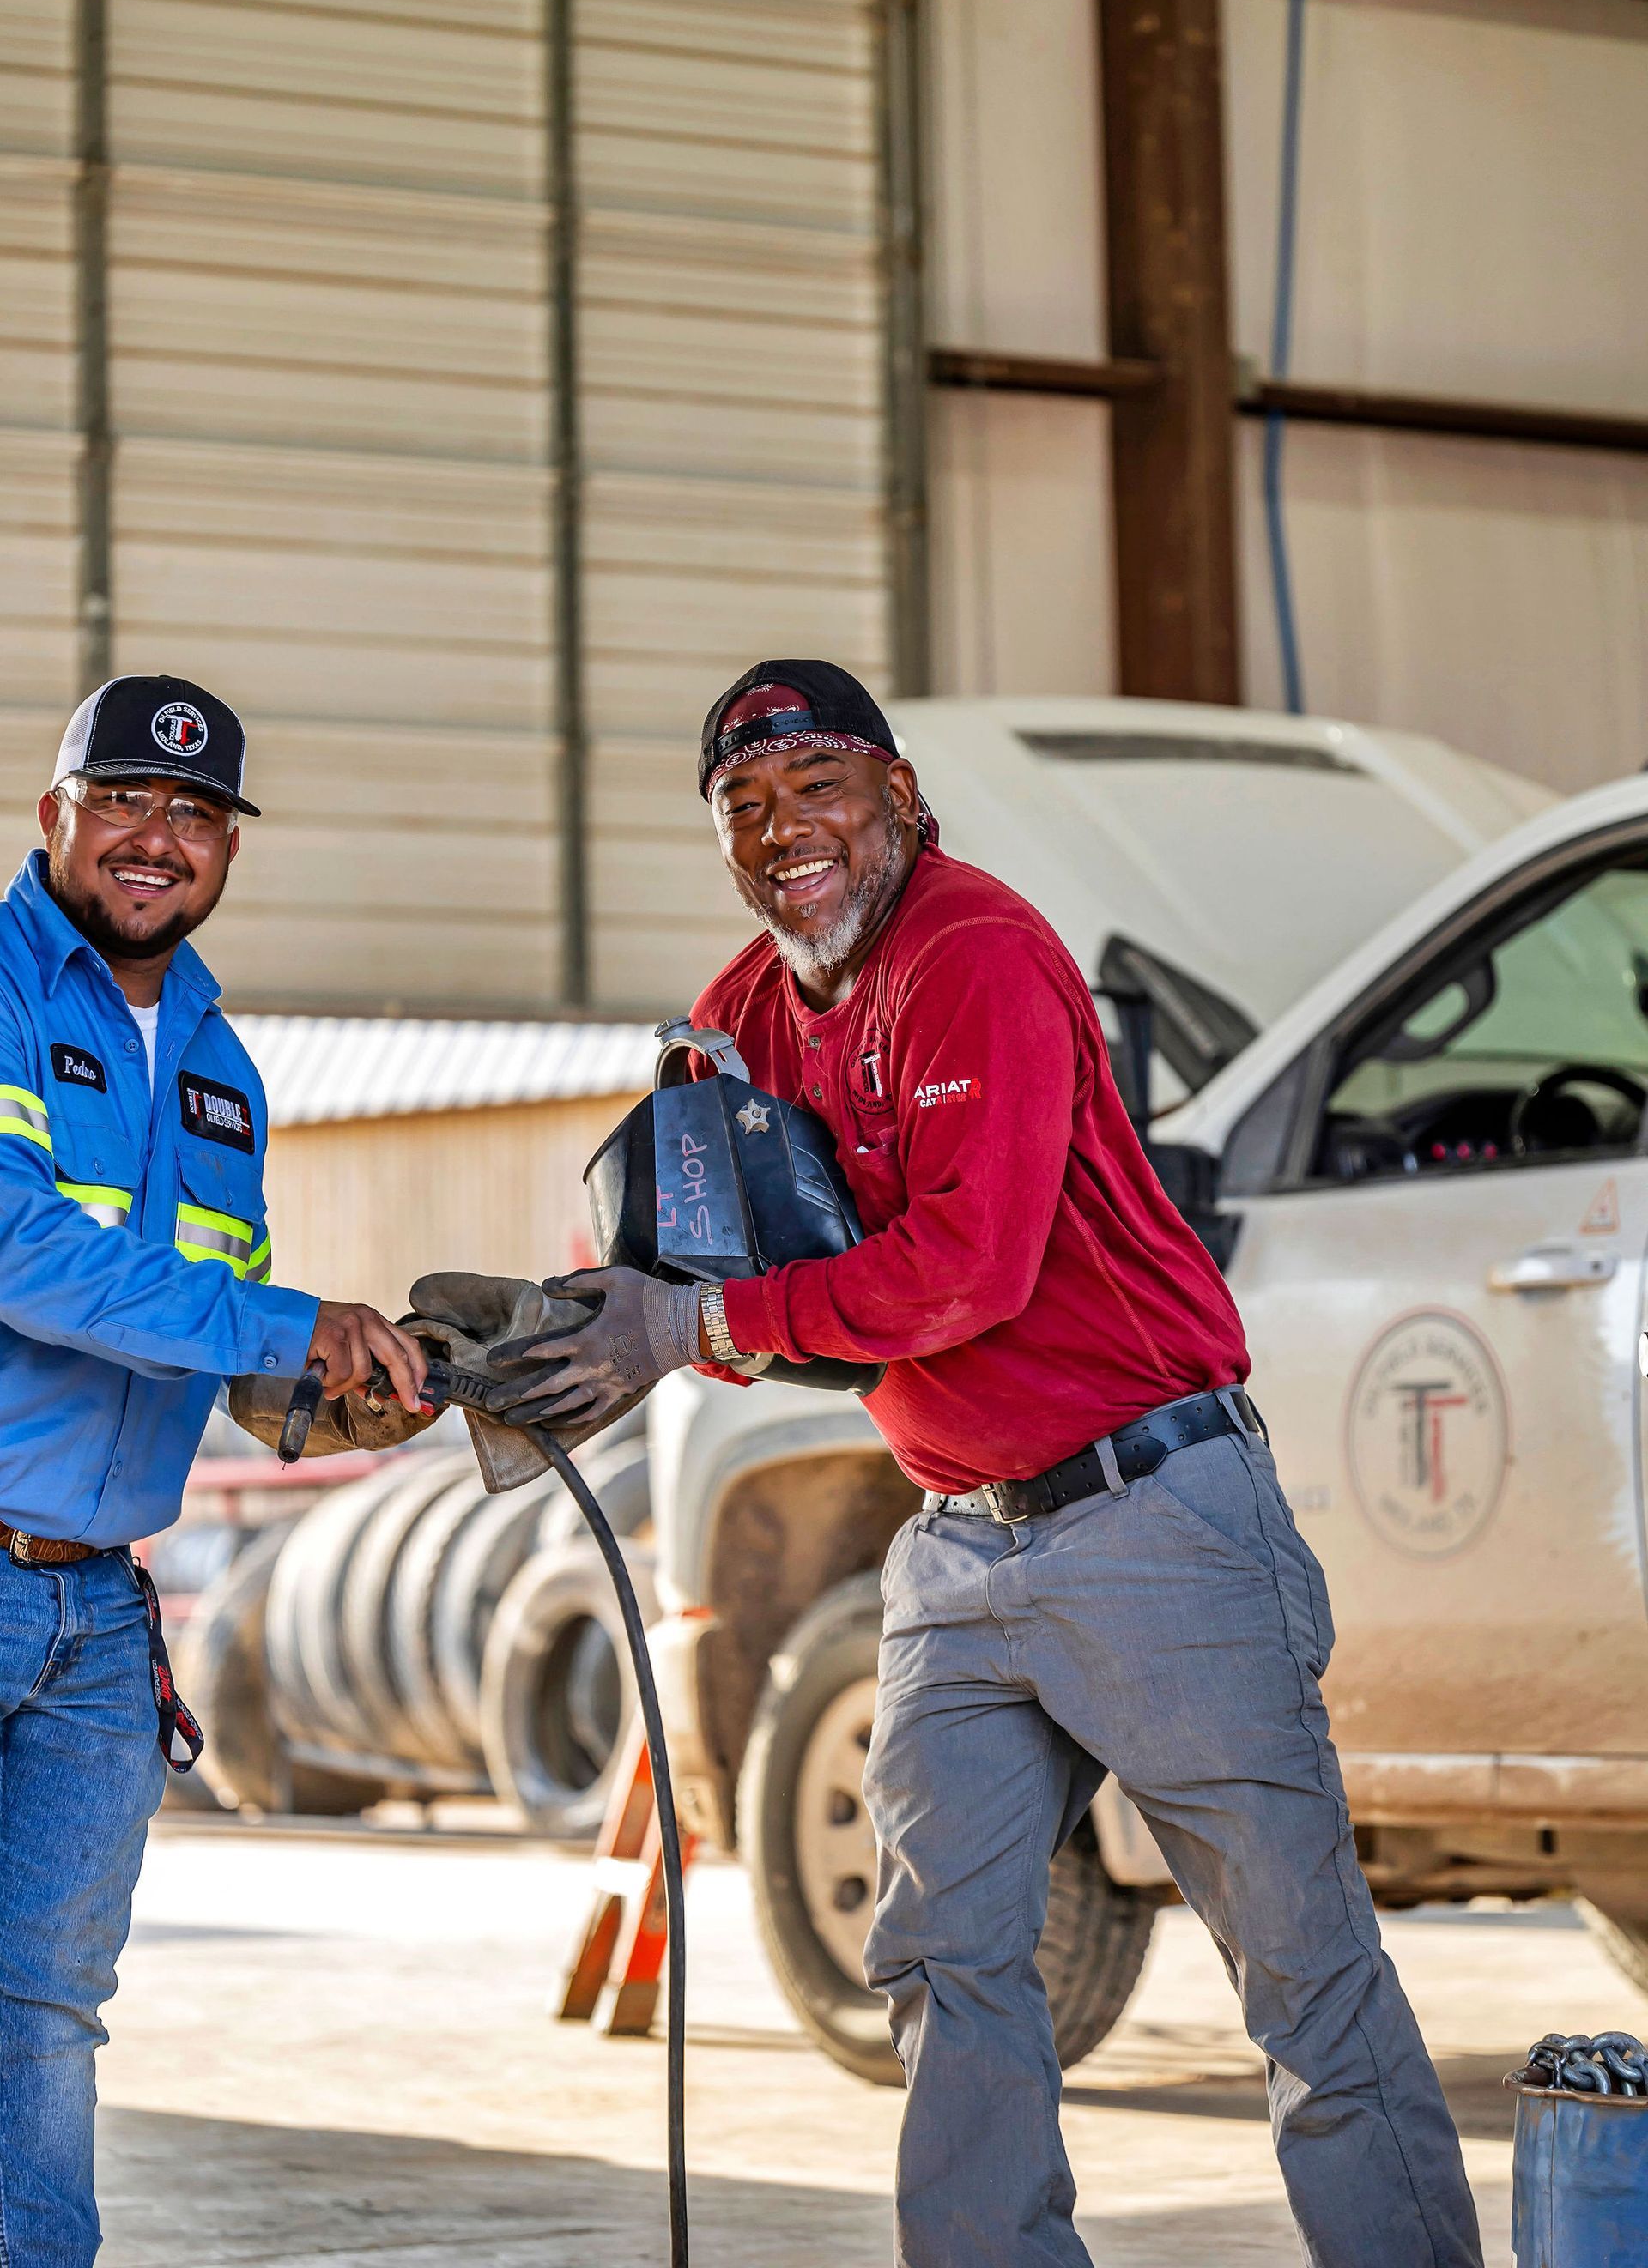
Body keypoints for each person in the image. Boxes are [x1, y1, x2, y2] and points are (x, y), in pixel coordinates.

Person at [486, 658, 1483, 2268]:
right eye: (743, 805)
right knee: (942, 1957)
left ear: (899, 798)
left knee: (1299, 1970)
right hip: (957, 1538)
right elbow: (706, 1256)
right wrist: (577, 1323)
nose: (780, 829)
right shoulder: (740, 1013)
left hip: (1155, 1510)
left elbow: (967, 1270)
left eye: (818, 787)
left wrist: (700, 1331)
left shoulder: (980, 954)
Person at [0, 674, 427, 2268]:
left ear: (230, 848)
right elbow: (24, 1252)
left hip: (99, 1616)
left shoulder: (224, 1074)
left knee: (45, 2012)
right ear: (55, 819)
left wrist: (340, 1387)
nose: (155, 837)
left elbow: (207, 1336)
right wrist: (282, 1319)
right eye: (121, 801)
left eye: (195, 813)